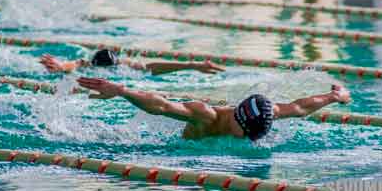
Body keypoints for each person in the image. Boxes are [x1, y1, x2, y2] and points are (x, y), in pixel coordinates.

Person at [76, 77, 351, 141]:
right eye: (248, 134)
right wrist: (122, 91)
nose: (250, 140)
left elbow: (300, 107)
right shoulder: (206, 117)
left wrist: (333, 96)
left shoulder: (266, 113)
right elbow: (161, 105)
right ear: (239, 121)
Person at [40, 49, 224, 76]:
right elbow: (76, 64)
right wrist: (61, 67)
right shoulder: (86, 64)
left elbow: (151, 67)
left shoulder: (124, 64)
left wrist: (192, 65)